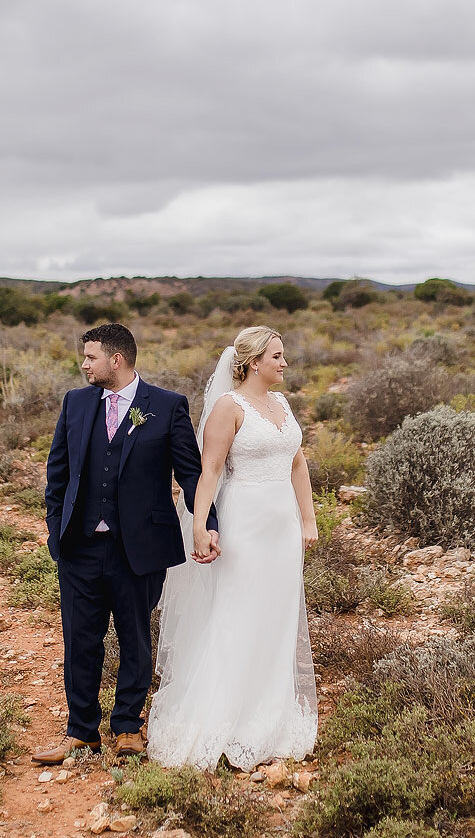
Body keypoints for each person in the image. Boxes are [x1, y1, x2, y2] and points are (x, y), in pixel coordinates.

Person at [31, 323, 217, 765]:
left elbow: (190, 474)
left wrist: (207, 523)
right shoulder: (76, 402)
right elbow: (57, 472)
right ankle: (81, 732)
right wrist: (56, 528)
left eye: (90, 357)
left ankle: (128, 728)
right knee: (80, 641)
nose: (83, 365)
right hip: (78, 547)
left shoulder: (167, 406)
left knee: (135, 638)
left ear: (116, 360)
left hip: (140, 548)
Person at [147, 325, 319, 770]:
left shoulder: (281, 403)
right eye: (277, 356)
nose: (284, 363)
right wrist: (200, 524)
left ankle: (269, 715)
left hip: (282, 527)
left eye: (283, 355)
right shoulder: (229, 407)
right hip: (245, 524)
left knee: (278, 616)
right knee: (238, 613)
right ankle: (224, 718)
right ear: (253, 362)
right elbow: (211, 471)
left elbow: (297, 462)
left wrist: (308, 518)